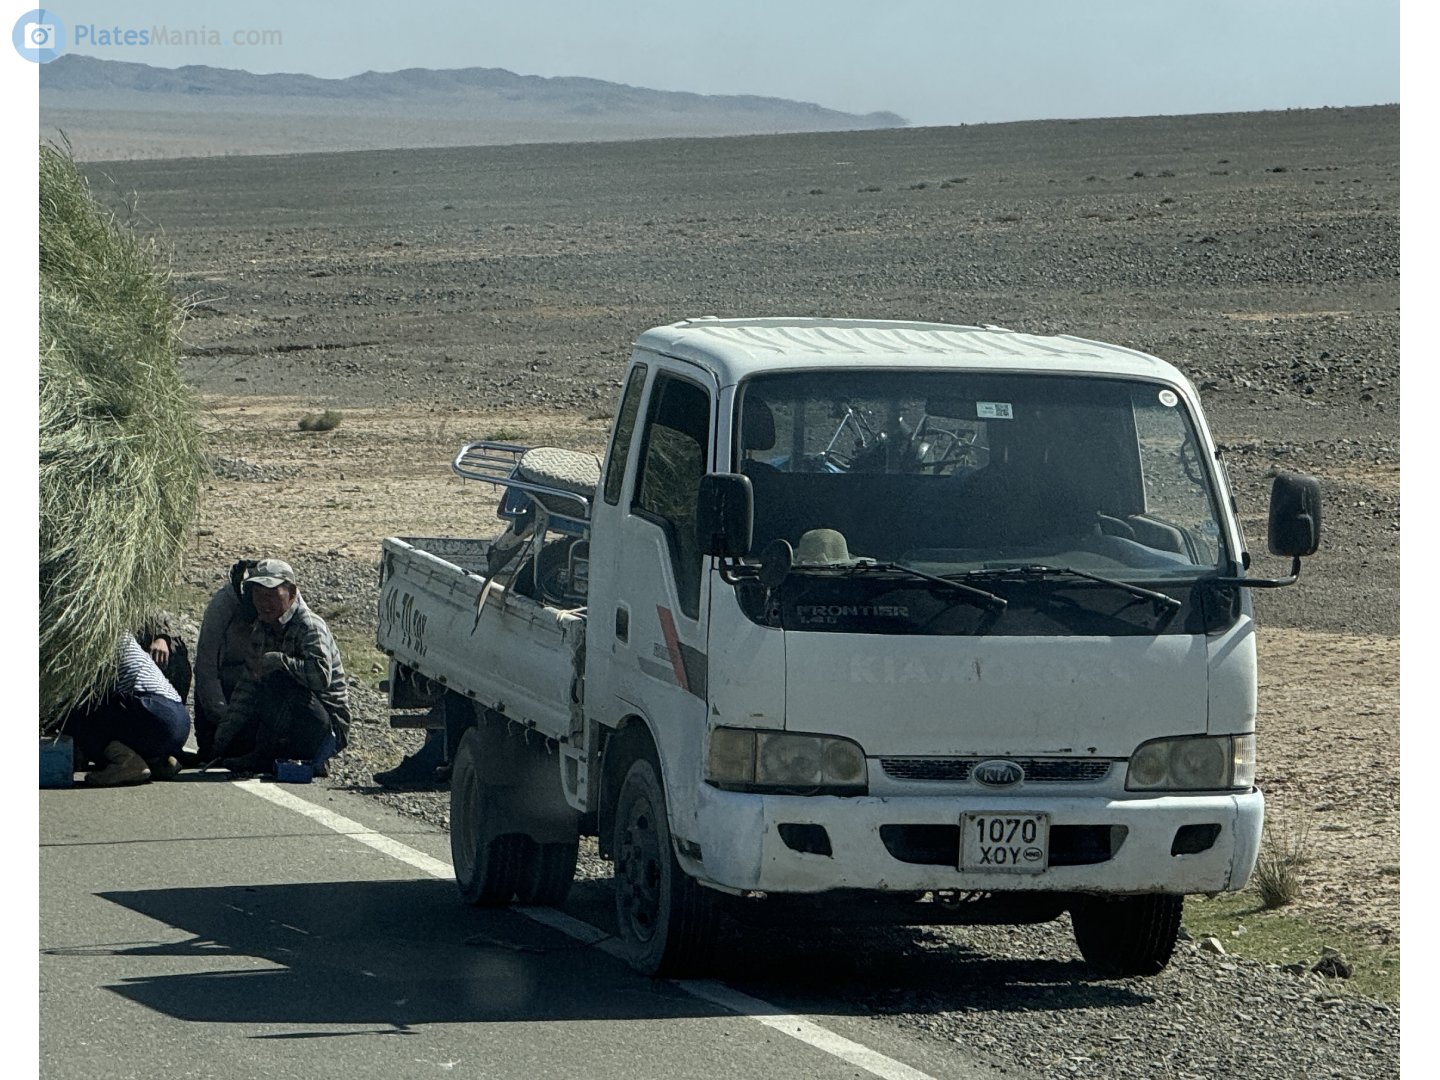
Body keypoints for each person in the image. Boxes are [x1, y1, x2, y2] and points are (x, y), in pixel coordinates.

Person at [211, 559, 351, 776]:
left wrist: (281, 661)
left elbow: (321, 678)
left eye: (271, 595)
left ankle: (268, 757)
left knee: (279, 679)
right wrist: (223, 737)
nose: (263, 603)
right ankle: (268, 755)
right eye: (258, 595)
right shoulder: (262, 628)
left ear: (291, 593)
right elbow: (249, 684)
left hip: (325, 725)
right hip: (285, 719)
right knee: (231, 744)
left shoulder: (309, 626)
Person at [64, 632, 192, 786]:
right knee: (107, 706)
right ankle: (158, 761)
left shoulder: (88, 640)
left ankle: (126, 762)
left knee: (77, 711)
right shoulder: (119, 634)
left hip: (156, 716)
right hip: (179, 721)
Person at [189, 559, 259, 762]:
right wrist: (223, 718)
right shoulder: (221, 606)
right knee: (218, 751)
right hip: (225, 684)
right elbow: (206, 668)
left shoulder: (286, 604)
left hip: (257, 684)